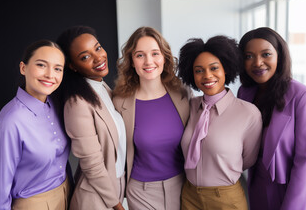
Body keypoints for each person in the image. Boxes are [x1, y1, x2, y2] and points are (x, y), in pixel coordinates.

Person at [237, 27, 306, 210]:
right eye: (249, 56)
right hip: (256, 188)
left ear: (279, 56)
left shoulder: (303, 96)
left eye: (266, 54)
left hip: (291, 192)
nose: (258, 63)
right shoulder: (245, 92)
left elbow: (305, 161)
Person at [177, 35, 262, 210]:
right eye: (199, 70)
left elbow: (248, 159)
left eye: (214, 68)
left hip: (225, 199)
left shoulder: (248, 113)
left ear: (226, 69)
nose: (207, 76)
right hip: (189, 195)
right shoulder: (190, 107)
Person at [113, 26, 190, 210]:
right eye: (140, 55)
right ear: (132, 61)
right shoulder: (120, 102)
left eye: (155, 53)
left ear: (164, 57)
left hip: (183, 186)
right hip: (142, 191)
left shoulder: (183, 93)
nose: (148, 61)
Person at [0, 40, 70, 210]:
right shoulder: (10, 122)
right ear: (23, 68)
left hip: (67, 193)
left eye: (57, 69)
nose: (50, 75)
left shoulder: (56, 105)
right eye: (41, 65)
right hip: (33, 204)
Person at [56, 26, 126, 210]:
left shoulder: (103, 89)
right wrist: (117, 205)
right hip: (95, 200)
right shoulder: (76, 103)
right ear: (72, 66)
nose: (98, 57)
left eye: (98, 48)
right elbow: (92, 165)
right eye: (85, 57)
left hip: (115, 190)